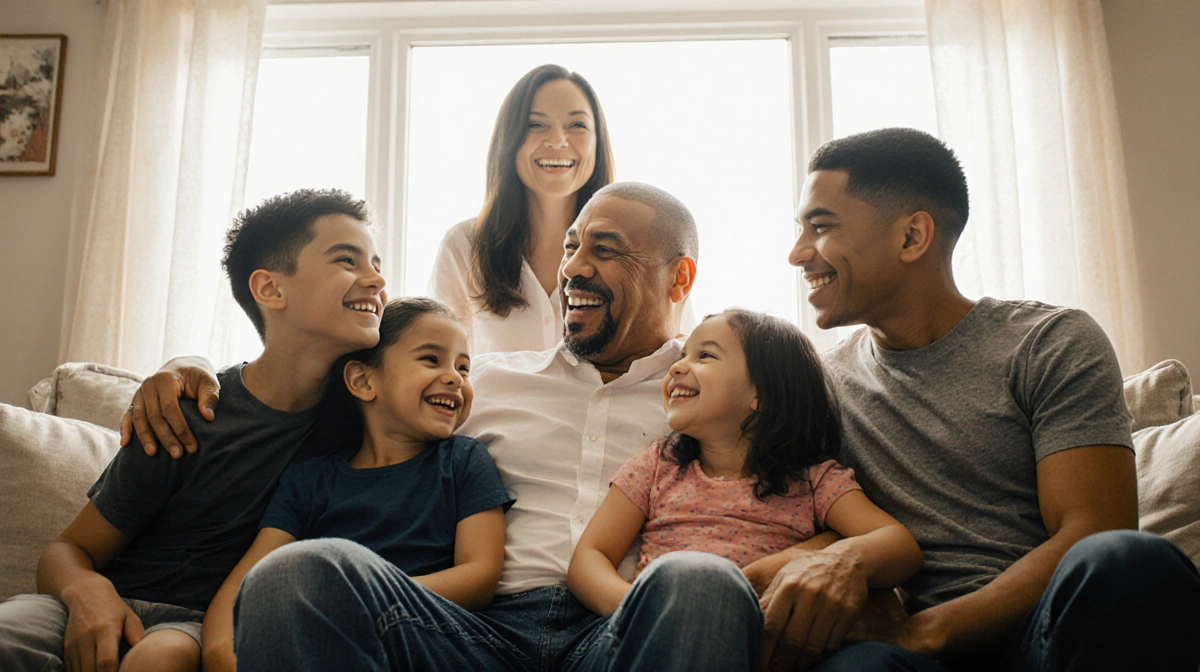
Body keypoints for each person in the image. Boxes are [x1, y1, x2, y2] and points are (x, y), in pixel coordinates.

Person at [126, 182, 807, 671]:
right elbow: (334, 381)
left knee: (700, 580)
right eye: (571, 247)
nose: (573, 268)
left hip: (625, 633)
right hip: (472, 636)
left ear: (679, 277)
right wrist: (187, 367)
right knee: (301, 570)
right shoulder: (483, 382)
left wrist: (842, 552)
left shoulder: (721, 394)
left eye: (605, 250)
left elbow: (816, 490)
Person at [766, 127, 1200, 671]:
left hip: (1045, 640)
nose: (797, 254)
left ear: (912, 237)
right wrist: (845, 560)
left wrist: (925, 633)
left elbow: (1094, 528)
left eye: (821, 226)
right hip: (899, 656)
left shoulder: (1051, 343)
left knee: (1130, 561)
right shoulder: (821, 386)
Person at [0, 188, 388, 672]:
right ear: (270, 289)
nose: (377, 279)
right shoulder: (189, 410)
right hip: (102, 601)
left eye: (377, 264)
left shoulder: (362, 426)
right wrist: (88, 592)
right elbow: (68, 550)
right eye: (347, 260)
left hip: (204, 630)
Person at [201, 297, 513, 672]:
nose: (455, 378)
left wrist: (361, 595)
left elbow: (480, 576)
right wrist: (218, 649)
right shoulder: (308, 481)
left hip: (426, 637)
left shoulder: (464, 459)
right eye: (431, 359)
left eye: (464, 367)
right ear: (363, 381)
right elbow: (250, 578)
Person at [567, 308, 922, 629]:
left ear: (763, 394)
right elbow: (590, 557)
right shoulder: (658, 464)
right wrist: (635, 608)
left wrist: (830, 558)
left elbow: (899, 546)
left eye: (705, 355)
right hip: (663, 629)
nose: (677, 367)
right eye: (683, 355)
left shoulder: (813, 480)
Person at [427, 63, 614, 355]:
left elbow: (670, 358)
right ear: (510, 139)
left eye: (577, 125)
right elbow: (436, 360)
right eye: (535, 125)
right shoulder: (463, 247)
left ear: (597, 143)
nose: (557, 141)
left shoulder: (635, 247)